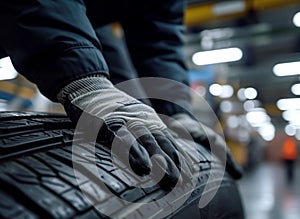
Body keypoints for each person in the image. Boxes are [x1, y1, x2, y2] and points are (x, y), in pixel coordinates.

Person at [0, 0, 242, 189]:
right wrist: (85, 83)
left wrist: (177, 112)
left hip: (85, 15)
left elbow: (159, 41)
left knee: (129, 104)